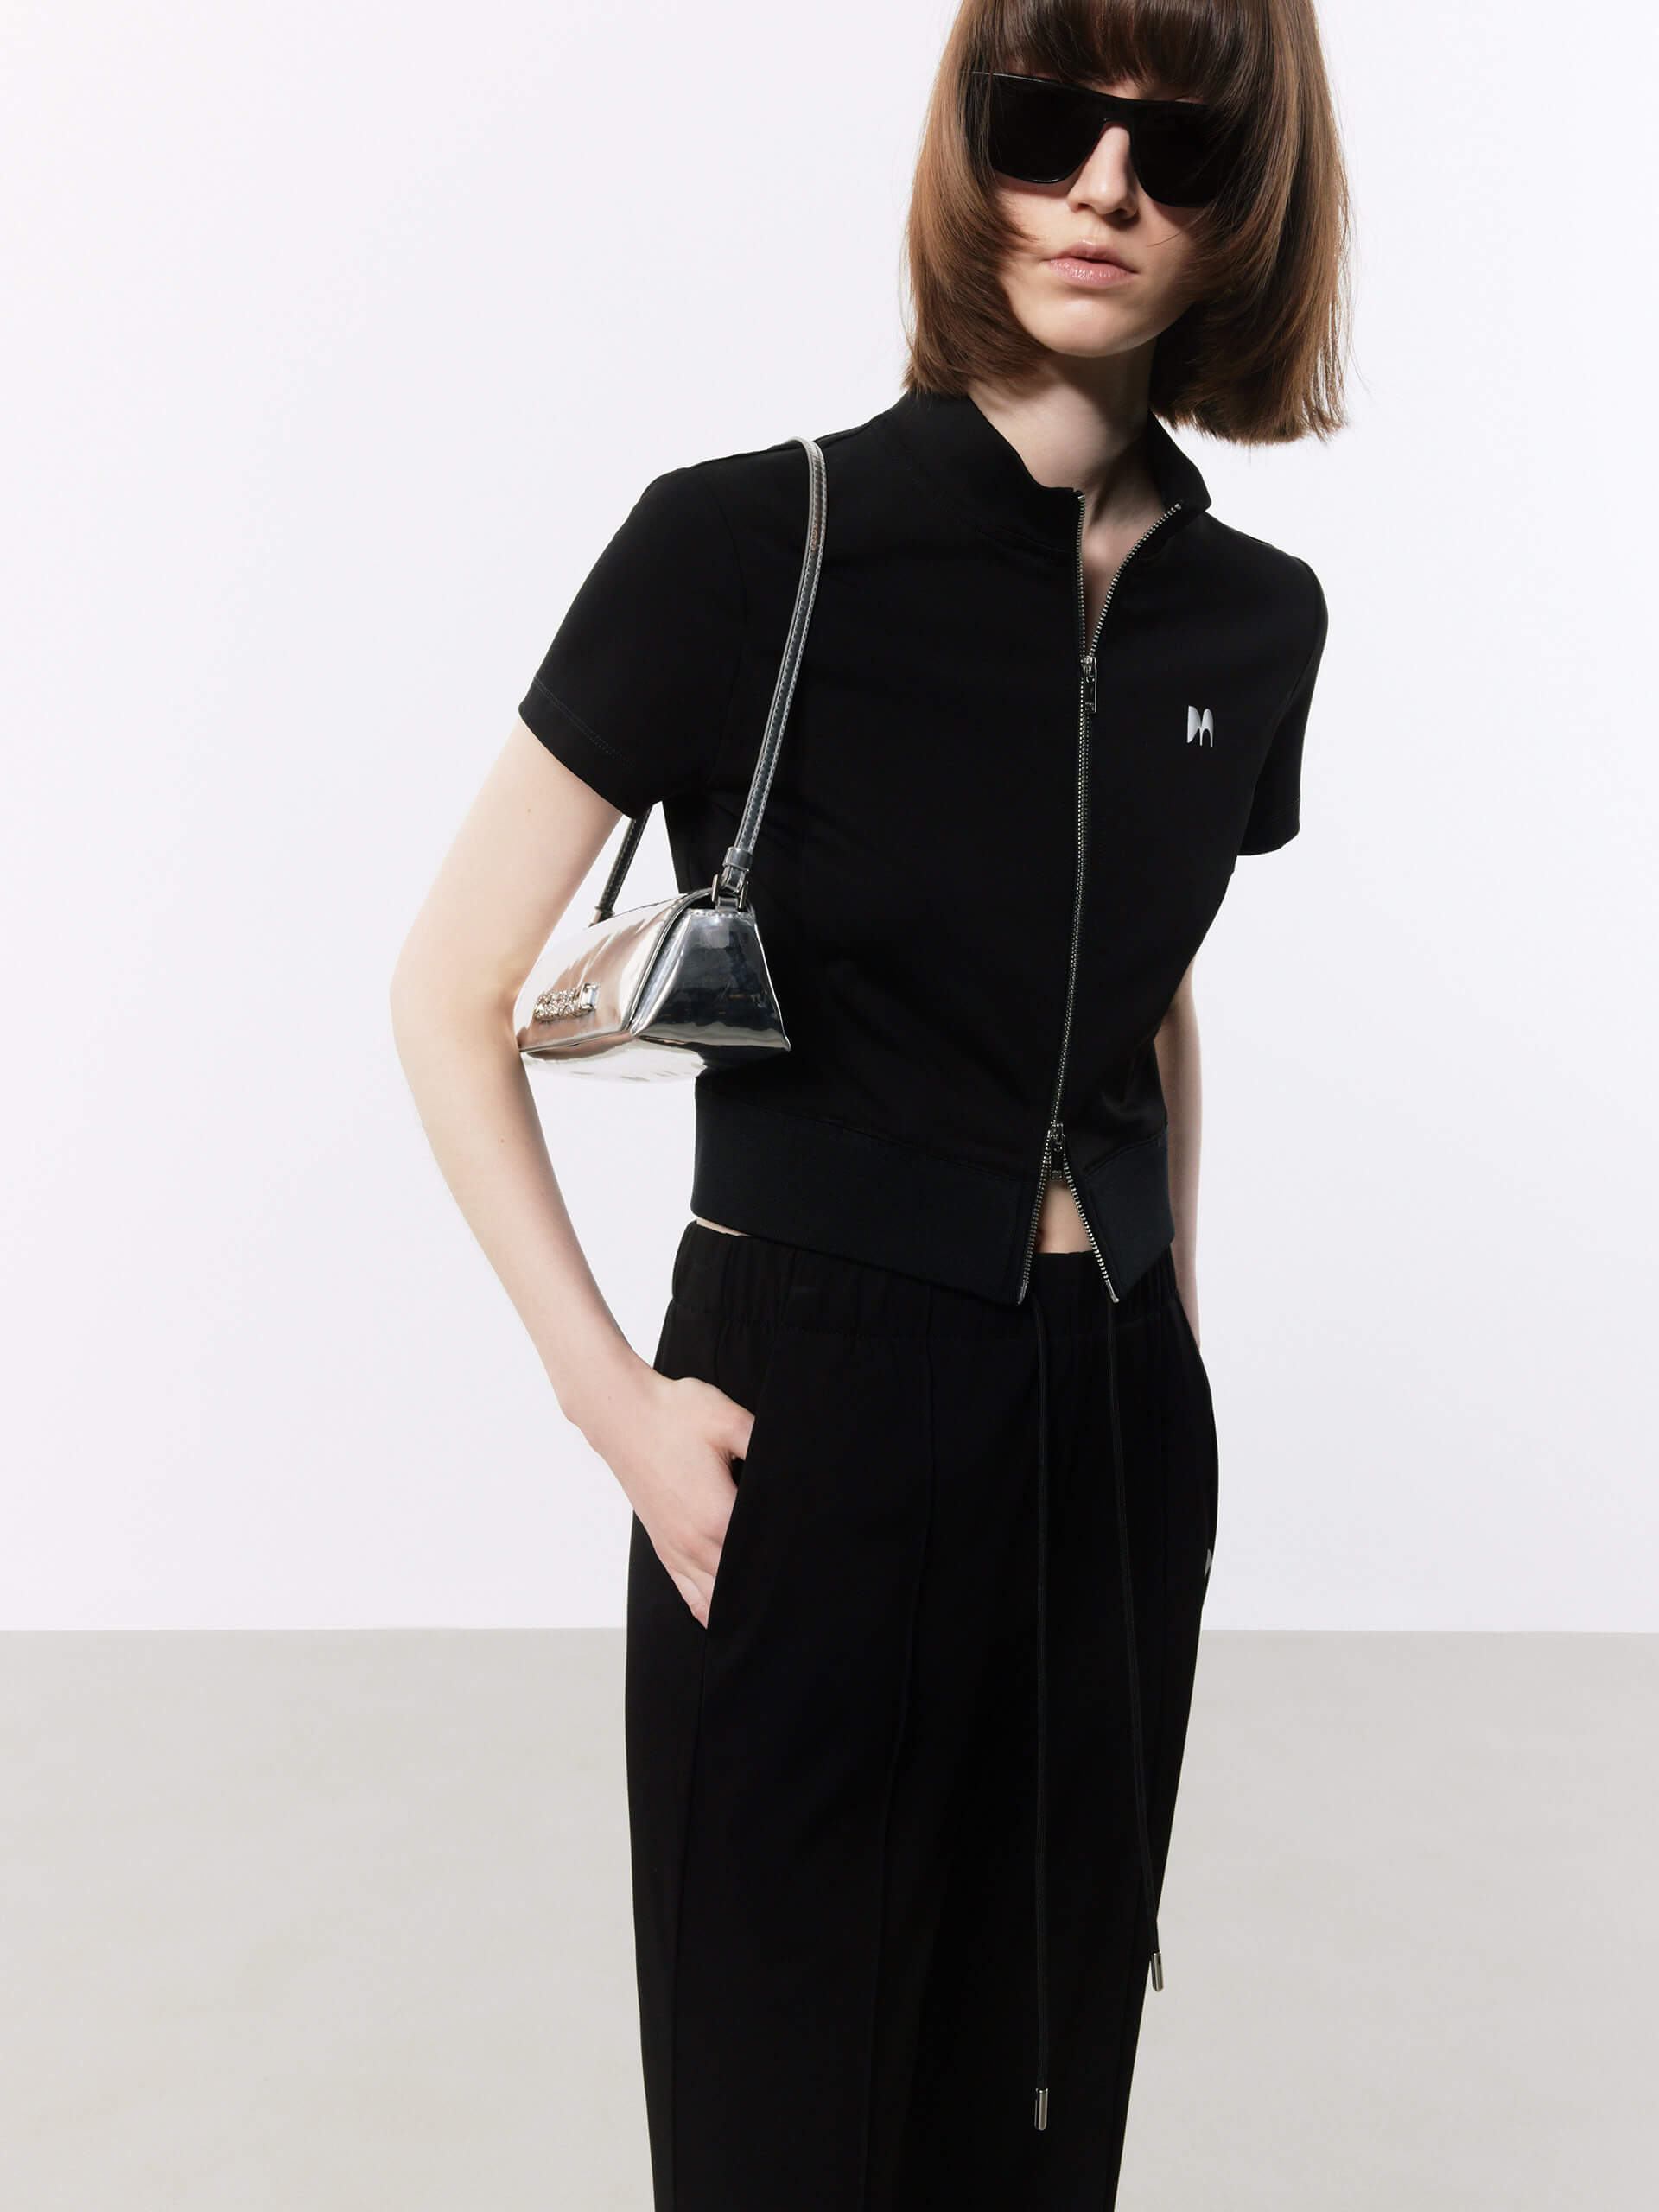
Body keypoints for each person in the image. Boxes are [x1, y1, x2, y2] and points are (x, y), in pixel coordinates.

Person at [389, 0, 1351, 2202]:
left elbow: (1151, 997)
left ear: (1254, 203)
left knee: (1046, 2100)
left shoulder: (1254, 618)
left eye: (1180, 148)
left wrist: (1173, 1340)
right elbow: (449, 989)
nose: (1103, 188)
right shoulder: (749, 544)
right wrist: (614, 1404)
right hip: (809, 1396)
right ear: (971, 146)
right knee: (783, 2115)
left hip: (1108, 1414)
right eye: (1048, 122)